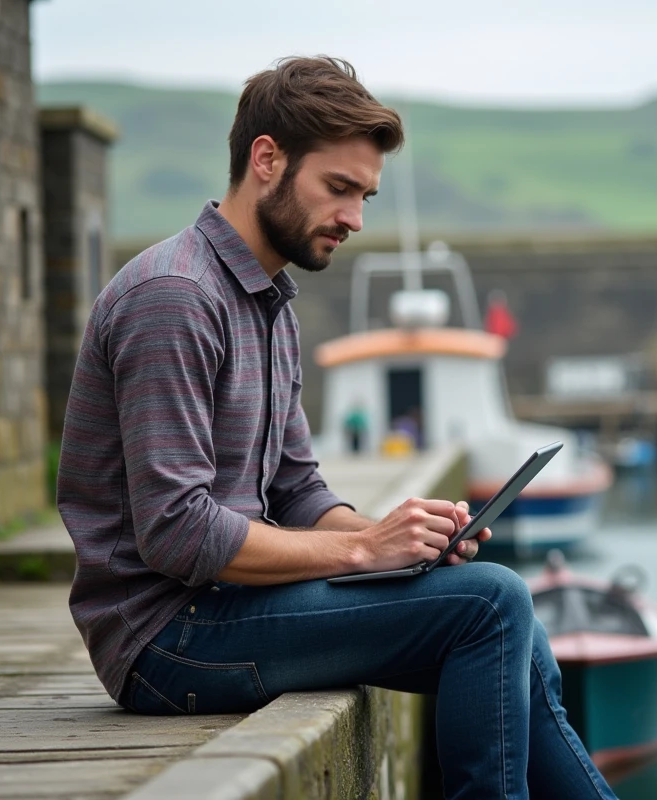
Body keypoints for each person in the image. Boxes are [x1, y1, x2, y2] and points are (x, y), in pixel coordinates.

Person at [56, 56, 616, 800]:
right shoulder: (175, 297)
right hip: (167, 639)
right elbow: (177, 532)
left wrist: (403, 542)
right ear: (267, 160)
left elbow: (294, 488)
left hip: (229, 609)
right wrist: (358, 549)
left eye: (366, 195)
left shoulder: (268, 298)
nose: (355, 218)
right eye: (340, 188)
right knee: (493, 604)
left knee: (506, 621)